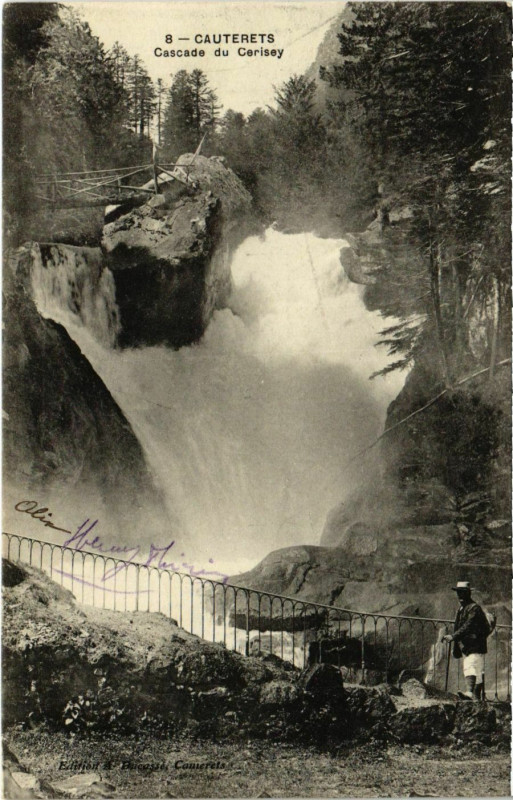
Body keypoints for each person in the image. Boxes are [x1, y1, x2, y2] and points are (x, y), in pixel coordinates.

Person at [442, 581, 489, 700]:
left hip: (475, 644)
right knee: (477, 672)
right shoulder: (462, 609)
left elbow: (468, 625)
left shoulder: (474, 609)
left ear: (468, 593)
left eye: (462, 593)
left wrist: (453, 637)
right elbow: (458, 626)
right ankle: (477, 699)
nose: (460, 596)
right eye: (458, 593)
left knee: (470, 666)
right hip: (469, 645)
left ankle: (469, 693)